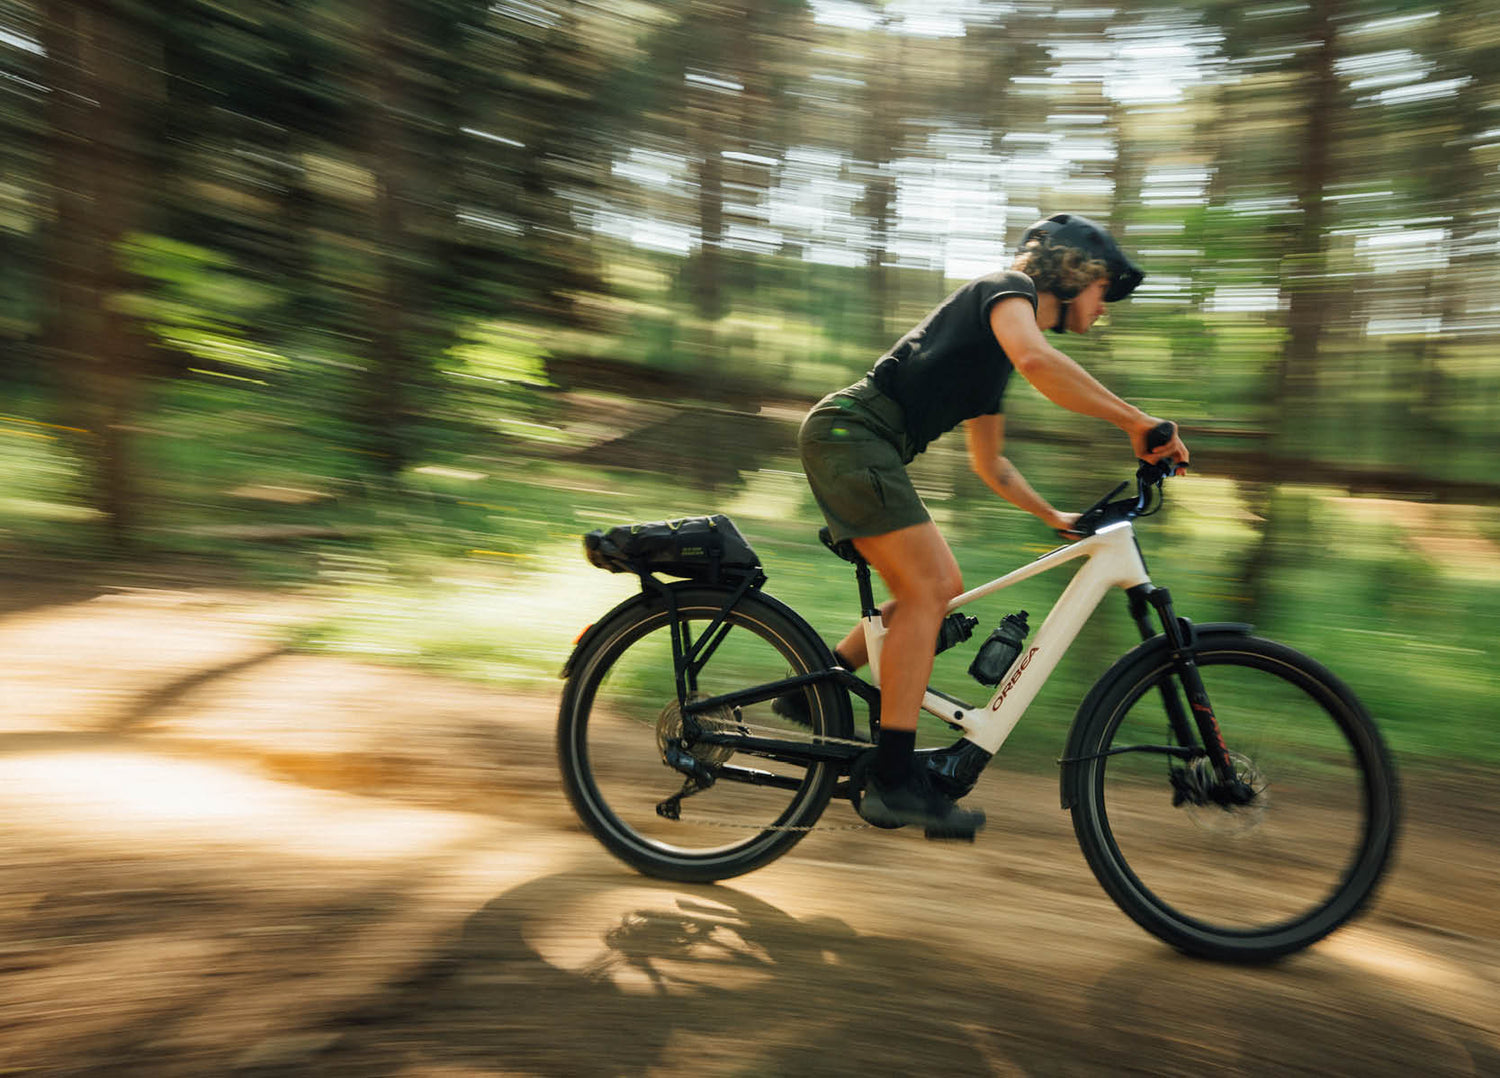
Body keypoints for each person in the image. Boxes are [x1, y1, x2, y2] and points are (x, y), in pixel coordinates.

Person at [794, 212, 1190, 839]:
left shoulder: (993, 357)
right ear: (1070, 270)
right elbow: (1038, 359)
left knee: (938, 583)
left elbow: (991, 464)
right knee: (928, 587)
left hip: (862, 445)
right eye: (1101, 289)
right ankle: (895, 780)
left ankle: (815, 681)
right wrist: (1136, 423)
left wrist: (1053, 517)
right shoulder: (1006, 290)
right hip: (851, 436)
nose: (1104, 306)